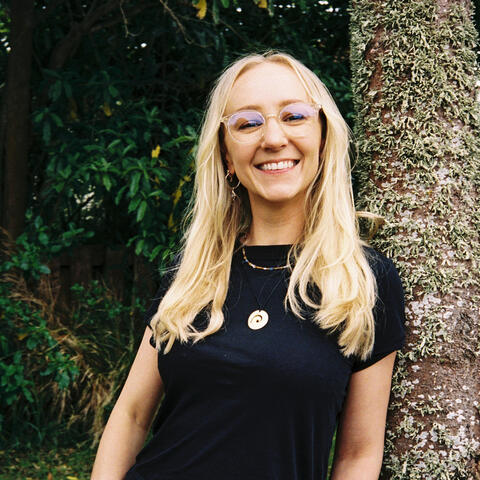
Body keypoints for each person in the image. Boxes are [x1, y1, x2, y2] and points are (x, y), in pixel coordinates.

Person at [91, 51, 405, 480]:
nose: (273, 138)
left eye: (294, 116)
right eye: (247, 123)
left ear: (323, 137)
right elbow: (129, 416)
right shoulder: (192, 272)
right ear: (226, 154)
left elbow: (359, 454)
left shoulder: (363, 280)